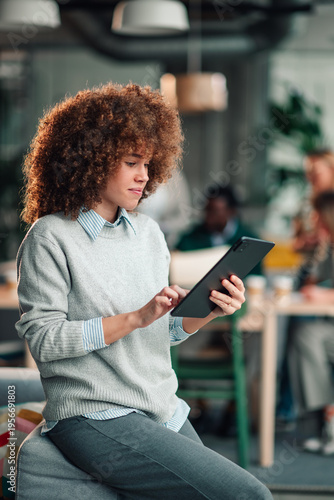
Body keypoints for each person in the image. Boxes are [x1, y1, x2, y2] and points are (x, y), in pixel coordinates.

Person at [15, 82, 272, 499]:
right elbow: (44, 340)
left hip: (160, 408)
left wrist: (208, 309)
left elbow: (162, 331)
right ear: (91, 160)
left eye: (149, 163)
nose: (145, 176)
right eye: (132, 162)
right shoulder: (50, 236)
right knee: (249, 495)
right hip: (93, 418)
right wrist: (134, 317)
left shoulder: (148, 234)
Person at [289, 189, 334, 456]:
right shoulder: (327, 246)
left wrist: (325, 293)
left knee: (307, 336)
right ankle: (324, 419)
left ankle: (325, 419)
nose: (313, 219)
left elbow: (322, 291)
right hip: (326, 324)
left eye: (316, 214)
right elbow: (309, 284)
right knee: (304, 334)